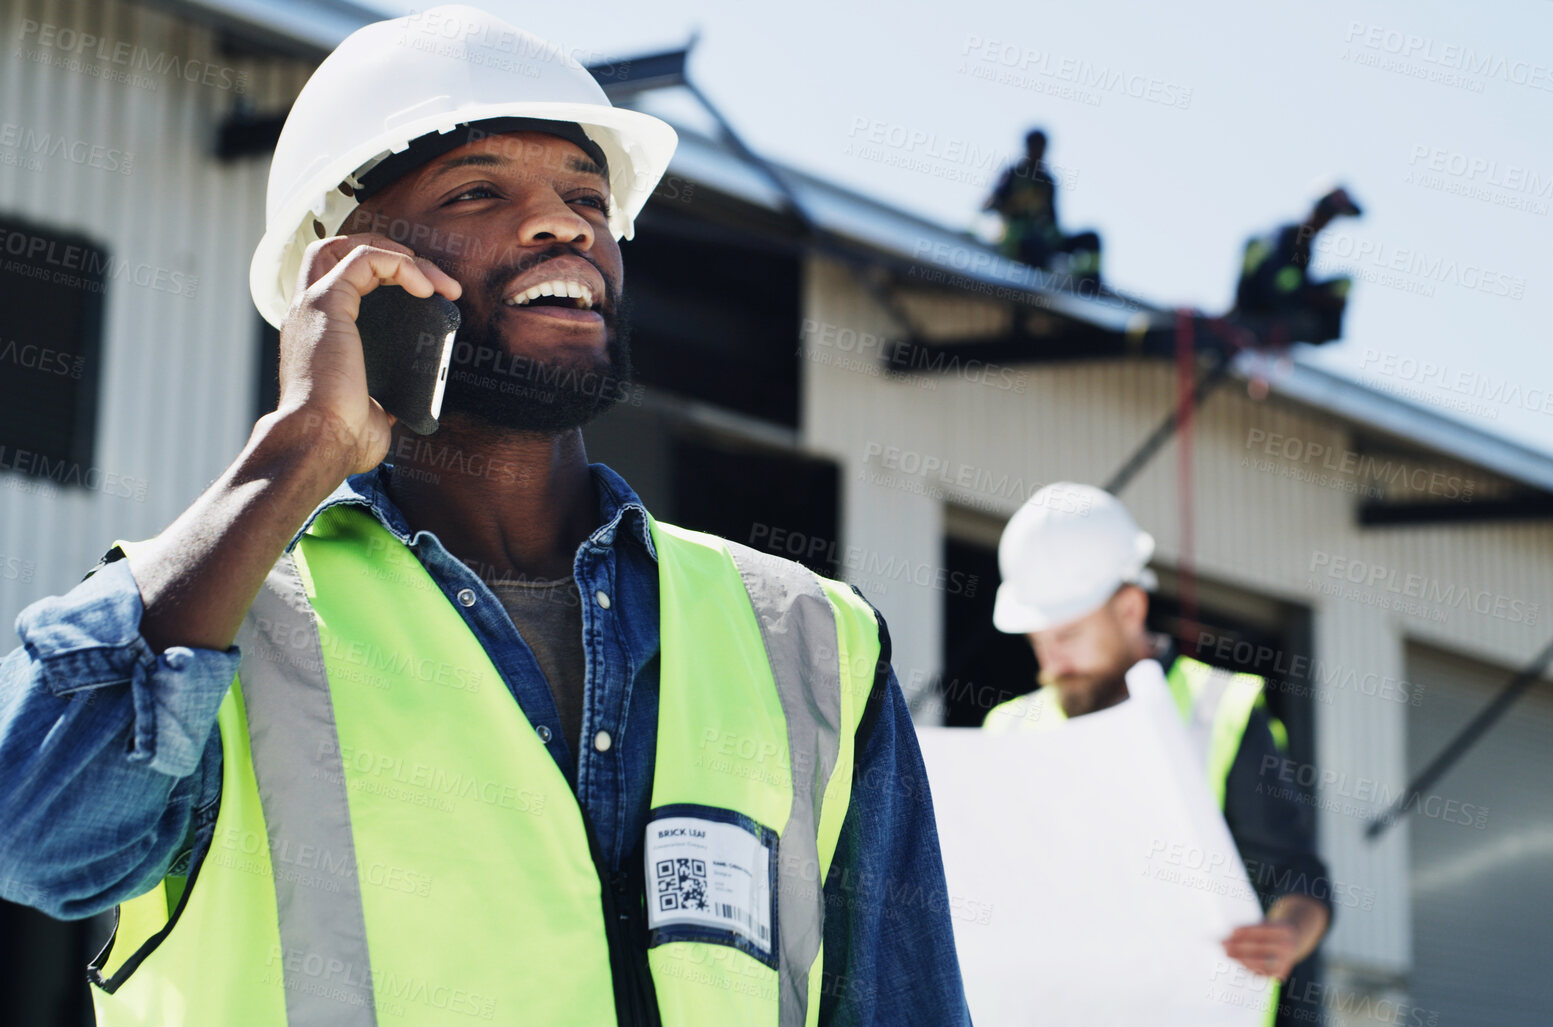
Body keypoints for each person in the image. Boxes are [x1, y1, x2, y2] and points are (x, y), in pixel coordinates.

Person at [0, 7, 969, 1026]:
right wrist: (300, 446)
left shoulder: (812, 641)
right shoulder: (218, 623)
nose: (567, 225)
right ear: (348, 270)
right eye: (478, 190)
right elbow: (34, 829)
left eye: (588, 195)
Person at [983, 482, 1330, 1024]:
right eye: (1038, 639)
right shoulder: (1009, 729)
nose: (1052, 659)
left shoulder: (1223, 709)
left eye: (1069, 634)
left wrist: (1287, 932)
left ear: (1129, 607)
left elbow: (1298, 877)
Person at [1232, 184, 1363, 345]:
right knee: (1268, 258)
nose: (1325, 221)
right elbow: (1279, 284)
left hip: (1286, 310)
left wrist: (1326, 299)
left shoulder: (1306, 248)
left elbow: (1296, 286)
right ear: (1315, 208)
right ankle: (1250, 323)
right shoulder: (1287, 234)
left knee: (1342, 285)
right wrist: (1313, 296)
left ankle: (1288, 330)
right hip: (1257, 306)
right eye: (1324, 213)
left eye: (1330, 217)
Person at [982, 128, 1102, 287]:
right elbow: (988, 206)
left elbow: (1053, 219)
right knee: (1036, 245)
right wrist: (1010, 205)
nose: (1038, 152)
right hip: (1018, 240)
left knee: (1091, 238)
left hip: (1046, 239)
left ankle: (1091, 285)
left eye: (1042, 147)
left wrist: (1052, 234)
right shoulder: (1013, 174)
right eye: (1035, 147)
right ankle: (1036, 289)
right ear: (1027, 147)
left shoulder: (1047, 181)